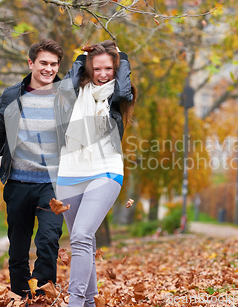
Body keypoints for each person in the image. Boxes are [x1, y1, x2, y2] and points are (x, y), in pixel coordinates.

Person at [0, 39, 64, 298]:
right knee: (18, 250)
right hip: (18, 183)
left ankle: (42, 297)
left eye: (54, 64)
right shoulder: (11, 96)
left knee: (48, 242)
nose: (49, 69)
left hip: (53, 184)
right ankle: (22, 297)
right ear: (31, 63)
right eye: (43, 63)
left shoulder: (66, 97)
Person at [54, 40, 136, 307]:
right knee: (83, 242)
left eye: (109, 69)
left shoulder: (116, 95)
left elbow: (124, 89)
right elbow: (65, 86)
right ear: (89, 68)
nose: (103, 74)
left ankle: (75, 302)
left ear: (116, 68)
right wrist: (81, 57)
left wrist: (121, 56)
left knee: (81, 235)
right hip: (69, 171)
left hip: (106, 169)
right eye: (97, 68)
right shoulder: (76, 92)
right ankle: (88, 303)